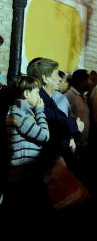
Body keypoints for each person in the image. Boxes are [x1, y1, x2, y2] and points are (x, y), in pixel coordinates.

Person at [2, 75, 50, 237]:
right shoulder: (18, 115)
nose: (39, 97)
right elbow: (44, 135)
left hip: (23, 177)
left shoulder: (20, 113)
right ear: (26, 94)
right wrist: (41, 112)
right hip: (23, 177)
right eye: (37, 92)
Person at [27, 57, 84, 169]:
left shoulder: (47, 98)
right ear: (45, 78)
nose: (60, 79)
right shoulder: (39, 99)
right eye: (57, 74)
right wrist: (75, 125)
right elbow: (51, 125)